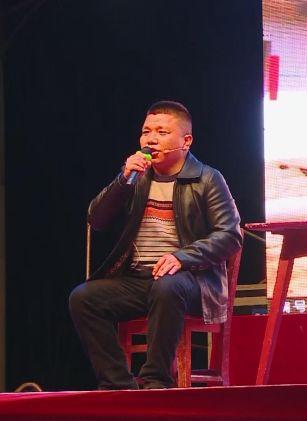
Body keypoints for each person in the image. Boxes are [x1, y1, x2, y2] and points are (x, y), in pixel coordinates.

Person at [69, 100, 242, 390]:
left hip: (193, 282)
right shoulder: (136, 178)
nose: (151, 139)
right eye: (146, 131)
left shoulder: (208, 179)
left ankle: (155, 382)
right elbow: (96, 220)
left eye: (161, 132)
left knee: (167, 287)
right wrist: (123, 179)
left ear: (186, 141)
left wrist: (183, 257)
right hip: (140, 280)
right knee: (83, 298)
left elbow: (230, 235)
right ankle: (119, 386)